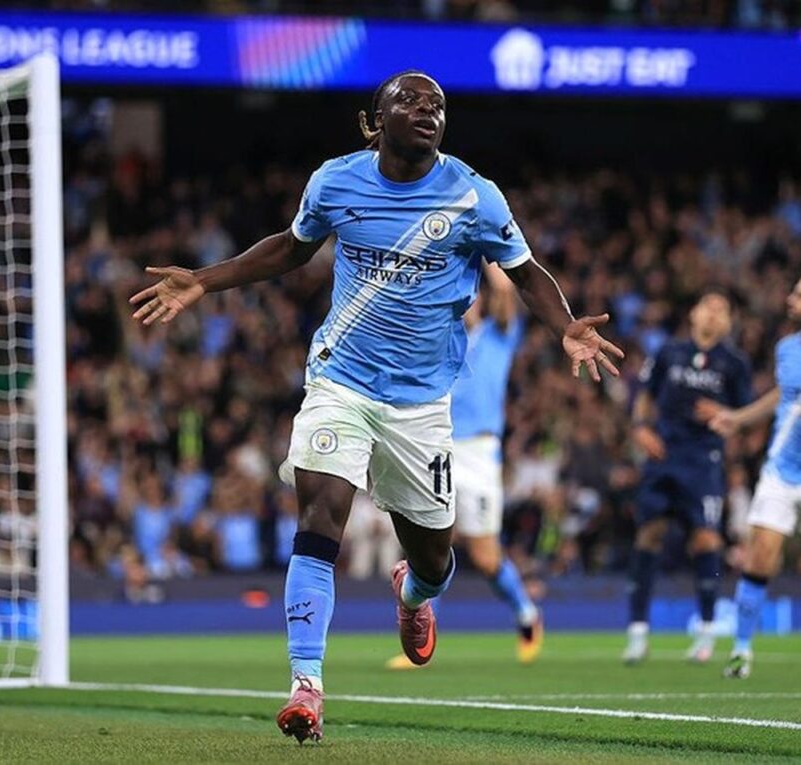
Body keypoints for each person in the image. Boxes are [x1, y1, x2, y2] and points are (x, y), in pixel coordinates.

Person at [130, 70, 623, 743]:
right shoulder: (335, 181)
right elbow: (290, 247)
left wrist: (565, 325)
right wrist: (205, 281)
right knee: (319, 519)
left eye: (438, 104)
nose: (428, 110)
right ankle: (306, 685)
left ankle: (412, 593)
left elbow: (527, 272)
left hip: (422, 406)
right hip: (341, 382)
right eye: (410, 101)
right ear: (375, 119)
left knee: (436, 563)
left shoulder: (474, 195)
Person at [387, 263, 542, 671]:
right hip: (440, 446)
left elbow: (505, 294)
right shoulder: (440, 345)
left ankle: (527, 615)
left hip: (480, 454)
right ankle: (421, 633)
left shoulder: (497, 335)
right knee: (431, 545)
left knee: (486, 558)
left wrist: (489, 254)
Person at [707, 272, 801, 679]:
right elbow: (782, 394)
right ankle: (741, 650)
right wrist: (738, 418)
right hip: (781, 472)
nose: (791, 300)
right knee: (760, 554)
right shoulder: (786, 348)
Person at [623, 288, 752, 664]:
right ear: (693, 314)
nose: (713, 314)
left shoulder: (734, 363)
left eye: (721, 310)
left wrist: (727, 417)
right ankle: (637, 632)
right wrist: (640, 428)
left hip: (704, 460)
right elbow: (645, 394)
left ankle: (707, 631)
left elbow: (746, 416)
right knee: (649, 534)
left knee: (706, 538)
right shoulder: (669, 352)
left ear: (728, 322)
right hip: (663, 454)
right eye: (707, 307)